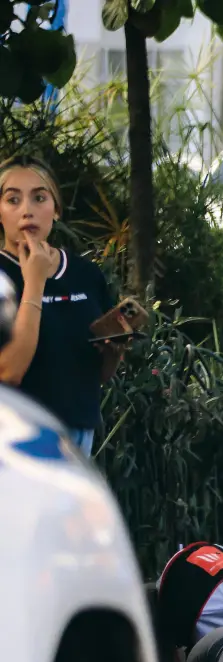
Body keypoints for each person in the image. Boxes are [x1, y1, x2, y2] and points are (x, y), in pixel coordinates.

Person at [0, 155, 125, 455]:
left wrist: (114, 351)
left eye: (39, 198)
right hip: (16, 442)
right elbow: (9, 371)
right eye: (13, 200)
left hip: (79, 436)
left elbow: (97, 373)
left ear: (56, 209)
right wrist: (35, 282)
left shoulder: (86, 274)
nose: (27, 210)